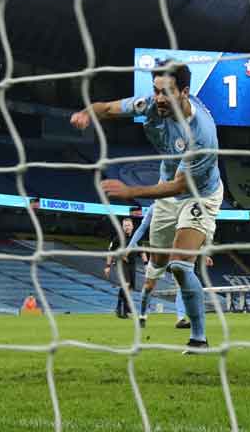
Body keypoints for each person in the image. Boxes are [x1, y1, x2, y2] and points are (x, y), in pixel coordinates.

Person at [71, 60, 222, 353]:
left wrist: (131, 191)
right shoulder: (150, 105)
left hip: (199, 195)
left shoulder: (202, 134)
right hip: (166, 191)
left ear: (184, 92)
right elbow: (110, 108)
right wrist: (87, 113)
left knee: (180, 265)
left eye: (166, 92)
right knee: (158, 266)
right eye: (156, 91)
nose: (159, 99)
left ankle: (199, 338)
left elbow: (181, 186)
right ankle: (141, 312)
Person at [127, 205, 212, 328]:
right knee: (149, 285)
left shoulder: (184, 207)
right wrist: (129, 247)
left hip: (177, 252)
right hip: (159, 252)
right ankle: (143, 315)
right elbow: (142, 228)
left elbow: (192, 232)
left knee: (181, 286)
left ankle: (180, 319)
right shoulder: (155, 207)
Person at [105, 218, 147, 318]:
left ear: (132, 226)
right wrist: (108, 266)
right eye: (125, 225)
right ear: (122, 227)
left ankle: (123, 307)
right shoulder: (118, 238)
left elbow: (142, 252)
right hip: (121, 264)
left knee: (130, 288)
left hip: (132, 264)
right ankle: (121, 309)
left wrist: (145, 264)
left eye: (128, 225)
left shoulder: (137, 238)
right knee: (126, 285)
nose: (127, 227)